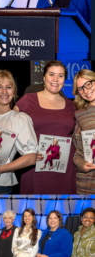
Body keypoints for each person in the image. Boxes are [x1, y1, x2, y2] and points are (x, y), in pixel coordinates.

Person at [15, 61, 76, 193]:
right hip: (35, 169)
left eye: (60, 76)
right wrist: (25, 152)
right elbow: (10, 132)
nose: (55, 79)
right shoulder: (27, 100)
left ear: (64, 79)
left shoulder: (71, 106)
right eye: (51, 74)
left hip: (65, 170)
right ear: (43, 77)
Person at [73, 69, 95, 194]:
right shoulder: (80, 115)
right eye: (80, 89)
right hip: (87, 184)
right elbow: (78, 151)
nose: (85, 91)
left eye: (88, 84)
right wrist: (82, 164)